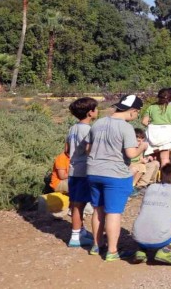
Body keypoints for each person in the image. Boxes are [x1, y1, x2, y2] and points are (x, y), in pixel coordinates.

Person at [87, 94, 148, 261]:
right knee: (113, 212)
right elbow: (131, 153)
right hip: (115, 174)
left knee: (98, 209)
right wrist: (142, 146)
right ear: (133, 111)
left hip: (93, 171)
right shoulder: (126, 127)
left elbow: (88, 149)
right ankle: (112, 251)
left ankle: (96, 245)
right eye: (137, 113)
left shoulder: (98, 123)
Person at [131, 163, 171, 265]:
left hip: (137, 236)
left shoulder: (151, 187)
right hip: (159, 238)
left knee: (150, 218)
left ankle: (141, 251)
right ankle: (166, 251)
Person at [65, 96, 98, 248]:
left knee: (76, 202)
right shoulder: (88, 130)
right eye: (95, 109)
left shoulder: (72, 128)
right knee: (79, 204)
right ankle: (76, 236)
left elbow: (66, 150)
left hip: (72, 169)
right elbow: (89, 149)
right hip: (84, 170)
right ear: (90, 113)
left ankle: (81, 230)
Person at [141, 88, 171, 167]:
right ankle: (164, 178)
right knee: (165, 159)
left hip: (153, 135)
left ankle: (154, 176)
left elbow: (144, 122)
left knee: (154, 157)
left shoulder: (151, 107)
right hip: (167, 135)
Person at [129, 128, 159, 196]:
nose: (141, 143)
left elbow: (141, 158)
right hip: (131, 166)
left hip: (139, 165)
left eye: (142, 141)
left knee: (155, 163)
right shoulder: (129, 148)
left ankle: (147, 184)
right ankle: (136, 187)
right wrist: (141, 162)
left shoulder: (141, 147)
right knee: (141, 167)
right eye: (138, 141)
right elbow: (129, 162)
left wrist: (147, 158)